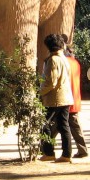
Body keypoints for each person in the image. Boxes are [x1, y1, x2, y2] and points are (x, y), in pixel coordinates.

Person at [38, 33, 74, 163]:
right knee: (64, 126)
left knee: (44, 124)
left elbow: (51, 82)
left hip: (54, 99)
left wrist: (39, 92)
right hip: (66, 97)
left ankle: (48, 152)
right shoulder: (64, 58)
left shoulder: (53, 60)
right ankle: (66, 154)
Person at [58, 34, 88, 158]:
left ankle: (45, 148)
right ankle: (82, 149)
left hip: (64, 98)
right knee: (74, 126)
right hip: (74, 97)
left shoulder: (63, 62)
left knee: (54, 124)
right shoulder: (75, 62)